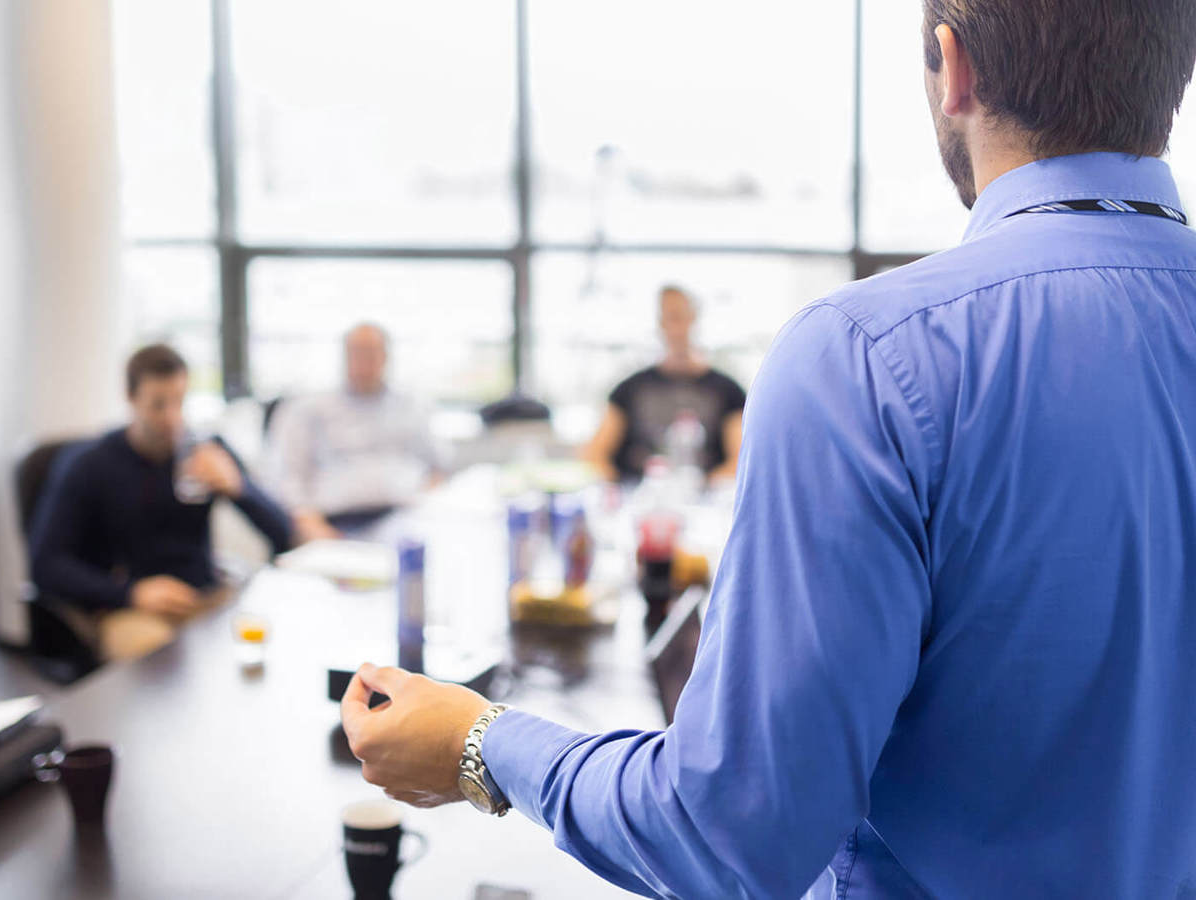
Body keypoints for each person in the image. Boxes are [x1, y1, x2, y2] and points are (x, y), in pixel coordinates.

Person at [342, 3, 1196, 897]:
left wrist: (480, 743)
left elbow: (733, 836)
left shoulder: (875, 354)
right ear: (1169, 70)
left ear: (955, 68)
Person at [31, 344, 292, 661]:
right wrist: (130, 593)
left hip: (204, 598)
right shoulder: (90, 465)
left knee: (268, 641)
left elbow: (283, 533)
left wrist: (239, 488)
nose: (172, 418)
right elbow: (46, 564)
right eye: (158, 405)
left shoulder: (204, 450)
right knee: (162, 666)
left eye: (180, 402)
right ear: (131, 398)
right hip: (132, 608)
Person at [266, 323, 441, 541]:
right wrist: (311, 525)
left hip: (405, 518)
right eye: (357, 352)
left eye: (372, 352)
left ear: (386, 356)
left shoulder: (411, 406)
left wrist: (429, 510)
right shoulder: (308, 408)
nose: (365, 360)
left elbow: (436, 469)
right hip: (337, 524)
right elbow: (287, 478)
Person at [581, 286, 746, 483]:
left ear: (693, 319)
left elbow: (740, 460)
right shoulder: (629, 389)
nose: (676, 328)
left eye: (680, 316)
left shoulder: (728, 391)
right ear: (660, 323)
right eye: (669, 318)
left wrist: (704, 491)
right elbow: (595, 454)